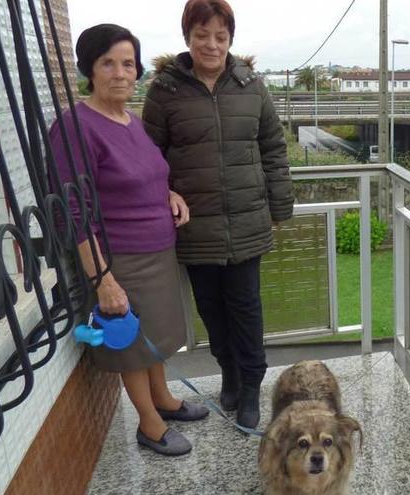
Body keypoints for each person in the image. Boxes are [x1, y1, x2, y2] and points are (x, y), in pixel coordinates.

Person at [49, 24, 209, 456]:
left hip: (157, 250)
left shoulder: (130, 121)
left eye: (128, 63)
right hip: (119, 258)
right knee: (132, 345)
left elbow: (148, 177)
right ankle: (149, 423)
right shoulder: (74, 128)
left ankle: (164, 399)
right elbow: (74, 212)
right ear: (89, 69)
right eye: (108, 63)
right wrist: (103, 279)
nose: (121, 73)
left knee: (153, 334)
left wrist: (170, 194)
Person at [142, 0, 294, 429]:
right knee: (211, 307)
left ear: (231, 39)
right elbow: (149, 158)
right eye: (202, 35)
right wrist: (166, 192)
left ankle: (250, 386)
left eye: (221, 36)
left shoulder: (252, 87)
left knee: (246, 306)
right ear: (187, 37)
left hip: (246, 219)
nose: (212, 44)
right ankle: (227, 369)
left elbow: (273, 148)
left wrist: (281, 206)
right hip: (194, 225)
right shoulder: (164, 92)